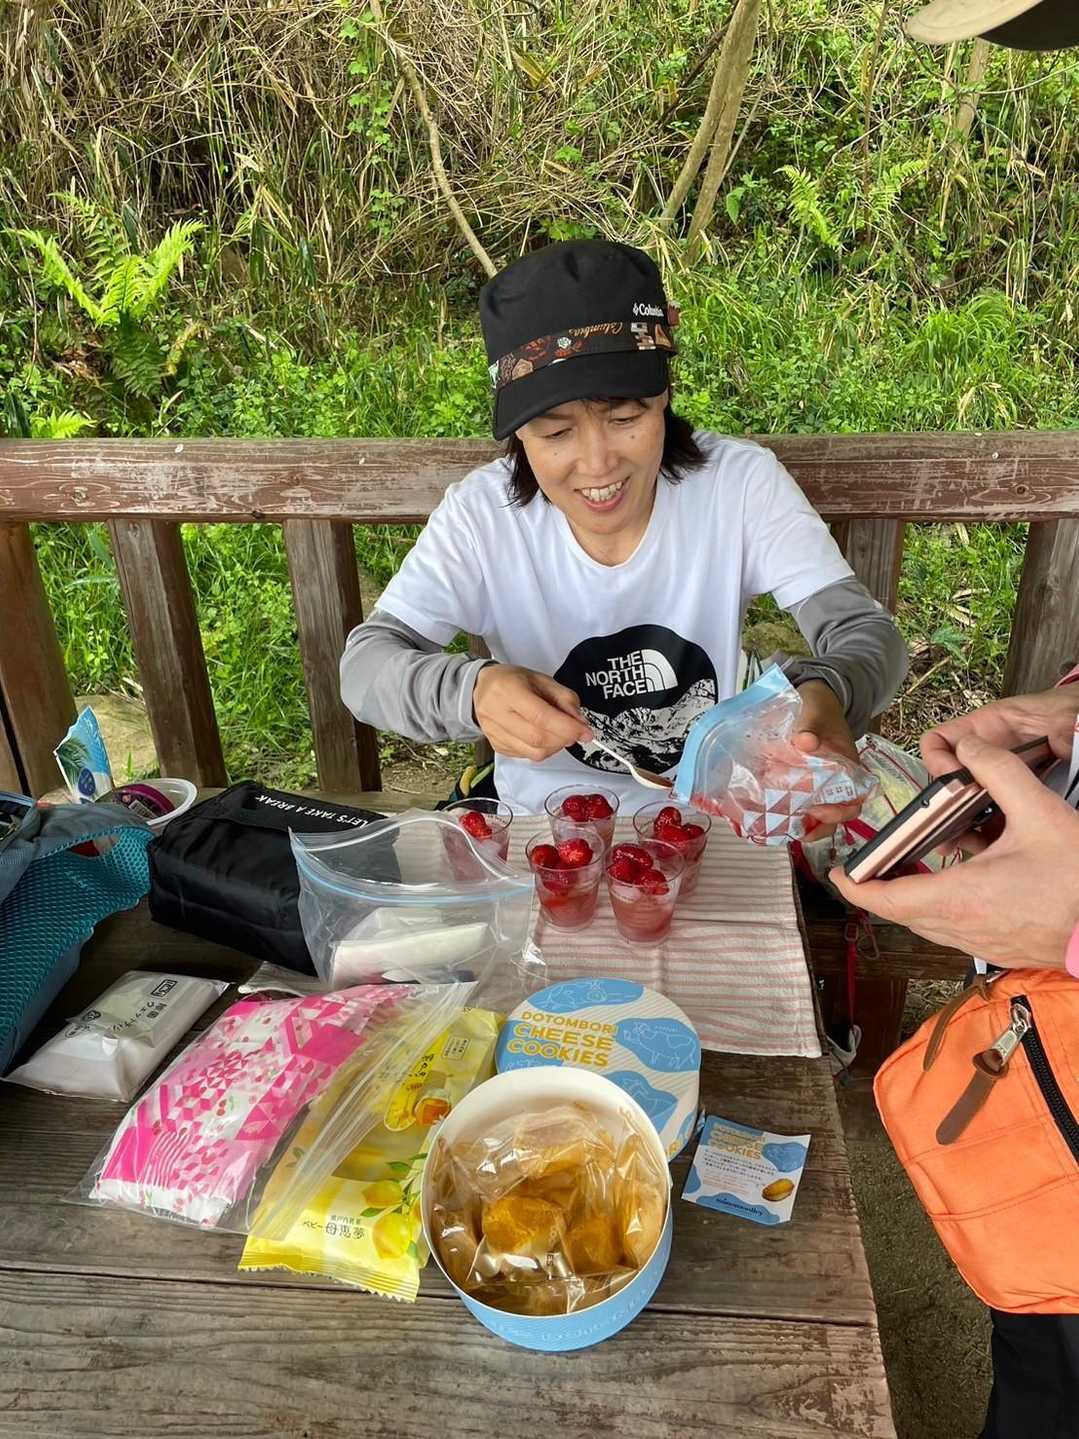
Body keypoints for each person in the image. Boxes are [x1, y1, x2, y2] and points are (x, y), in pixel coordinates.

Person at [341, 239, 907, 813]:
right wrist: (472, 693)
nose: (597, 465)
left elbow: (864, 633)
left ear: (664, 396)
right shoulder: (481, 518)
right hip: (541, 826)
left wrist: (825, 690)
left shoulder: (738, 486)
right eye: (556, 433)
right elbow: (365, 667)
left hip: (710, 819)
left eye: (624, 417)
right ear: (519, 435)